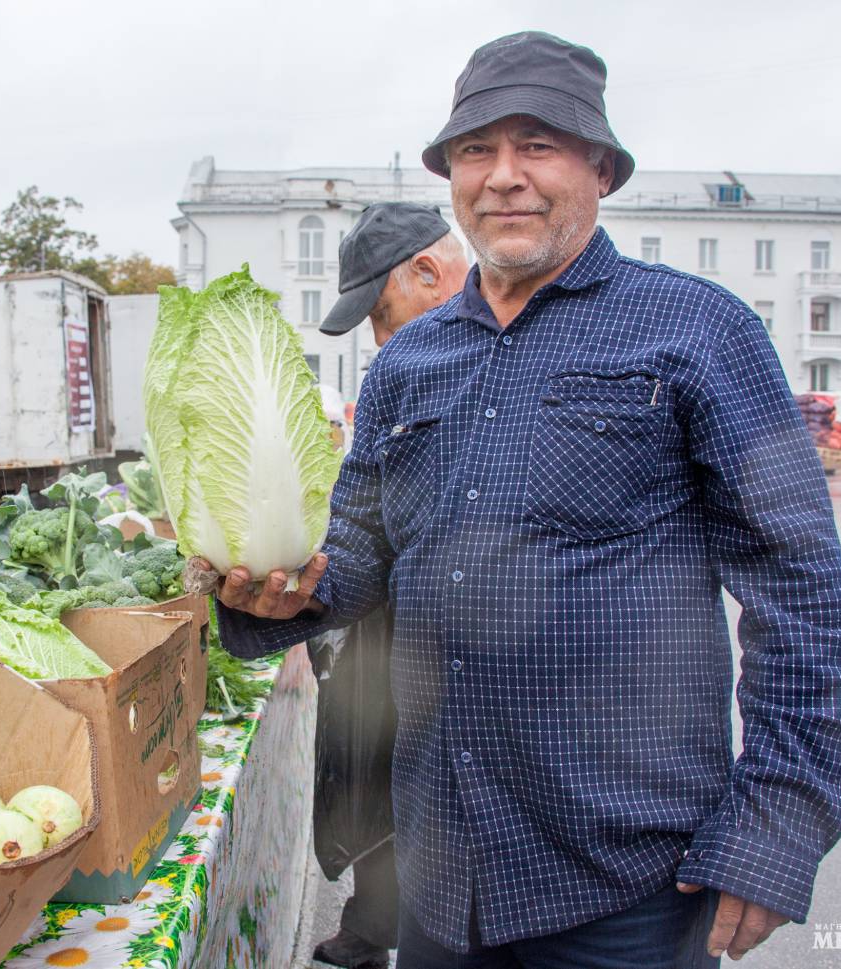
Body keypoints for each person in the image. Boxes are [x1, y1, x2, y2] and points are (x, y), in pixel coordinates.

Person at [208, 31, 841, 969]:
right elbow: (357, 547)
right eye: (477, 151)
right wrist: (284, 586)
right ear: (452, 180)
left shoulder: (698, 330)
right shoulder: (411, 364)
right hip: (439, 878)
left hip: (627, 884)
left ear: (600, 168)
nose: (504, 175)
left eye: (538, 145)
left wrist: (776, 825)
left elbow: (803, 600)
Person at [309, 202, 469, 969]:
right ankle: (375, 920)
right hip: (395, 649)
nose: (378, 340)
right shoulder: (395, 387)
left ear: (430, 273)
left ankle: (380, 922)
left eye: (381, 313)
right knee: (379, 784)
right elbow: (364, 534)